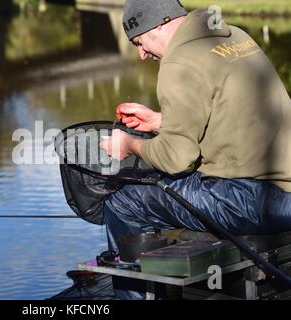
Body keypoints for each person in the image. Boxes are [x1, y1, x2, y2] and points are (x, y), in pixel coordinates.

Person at [99, 0, 291, 299]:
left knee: (124, 202)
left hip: (253, 199)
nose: (141, 53)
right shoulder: (234, 37)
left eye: (139, 41)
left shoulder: (178, 62)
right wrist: (160, 121)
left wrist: (129, 145)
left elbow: (176, 160)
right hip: (285, 193)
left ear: (158, 25)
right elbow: (232, 114)